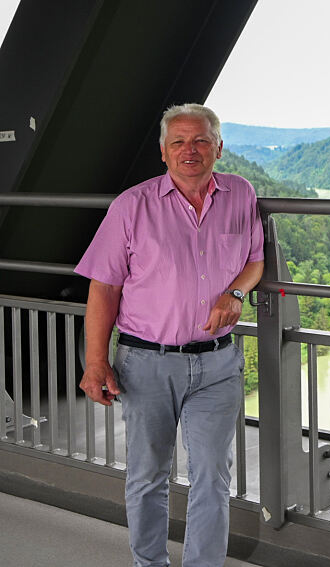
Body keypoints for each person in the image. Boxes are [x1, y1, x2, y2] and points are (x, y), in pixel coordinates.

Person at [77, 104, 264, 567]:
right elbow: (103, 287)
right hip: (147, 363)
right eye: (178, 142)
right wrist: (96, 362)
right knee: (147, 476)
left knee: (213, 480)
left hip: (218, 365)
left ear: (218, 147)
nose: (190, 150)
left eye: (200, 140)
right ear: (162, 152)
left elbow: (254, 261)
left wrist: (236, 293)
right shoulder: (132, 206)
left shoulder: (241, 193)